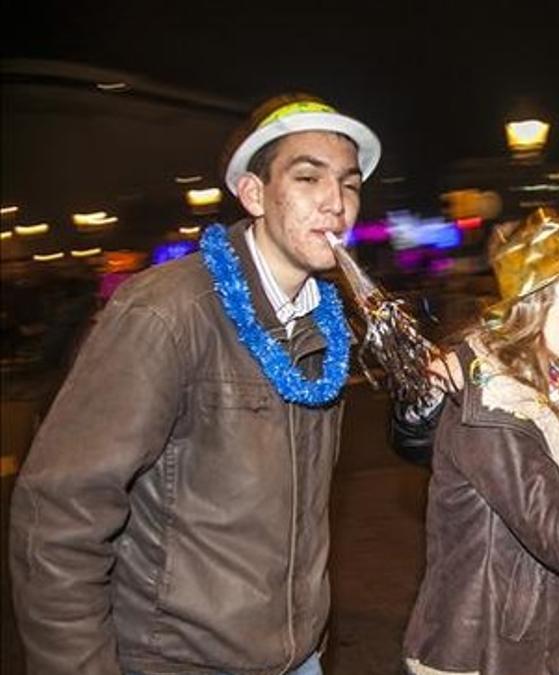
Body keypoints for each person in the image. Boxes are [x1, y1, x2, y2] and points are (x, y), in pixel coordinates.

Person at [9, 94, 379, 674]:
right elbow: (61, 515)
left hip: (298, 657)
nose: (336, 204)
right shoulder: (168, 312)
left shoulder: (324, 320)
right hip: (180, 661)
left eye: (349, 184)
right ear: (253, 194)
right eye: (308, 177)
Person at [403, 209, 559, 675]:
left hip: (529, 644)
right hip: (484, 655)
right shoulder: (498, 407)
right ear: (532, 305)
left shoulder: (548, 385)